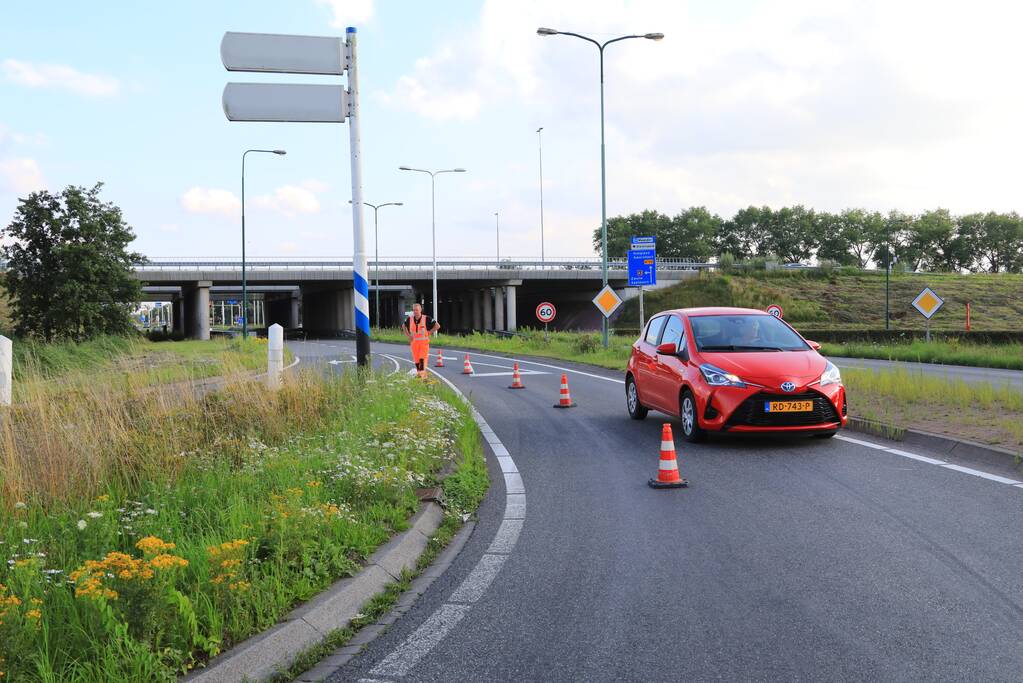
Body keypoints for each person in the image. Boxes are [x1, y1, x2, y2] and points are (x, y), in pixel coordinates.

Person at [403, 302, 440, 379]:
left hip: (424, 345)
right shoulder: (409, 319)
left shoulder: (426, 318)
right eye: (414, 310)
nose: (415, 312)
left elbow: (437, 326)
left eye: (417, 310)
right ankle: (422, 377)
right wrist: (408, 335)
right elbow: (403, 326)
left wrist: (430, 332)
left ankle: (422, 377)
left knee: (422, 360)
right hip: (414, 345)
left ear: (420, 310)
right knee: (417, 361)